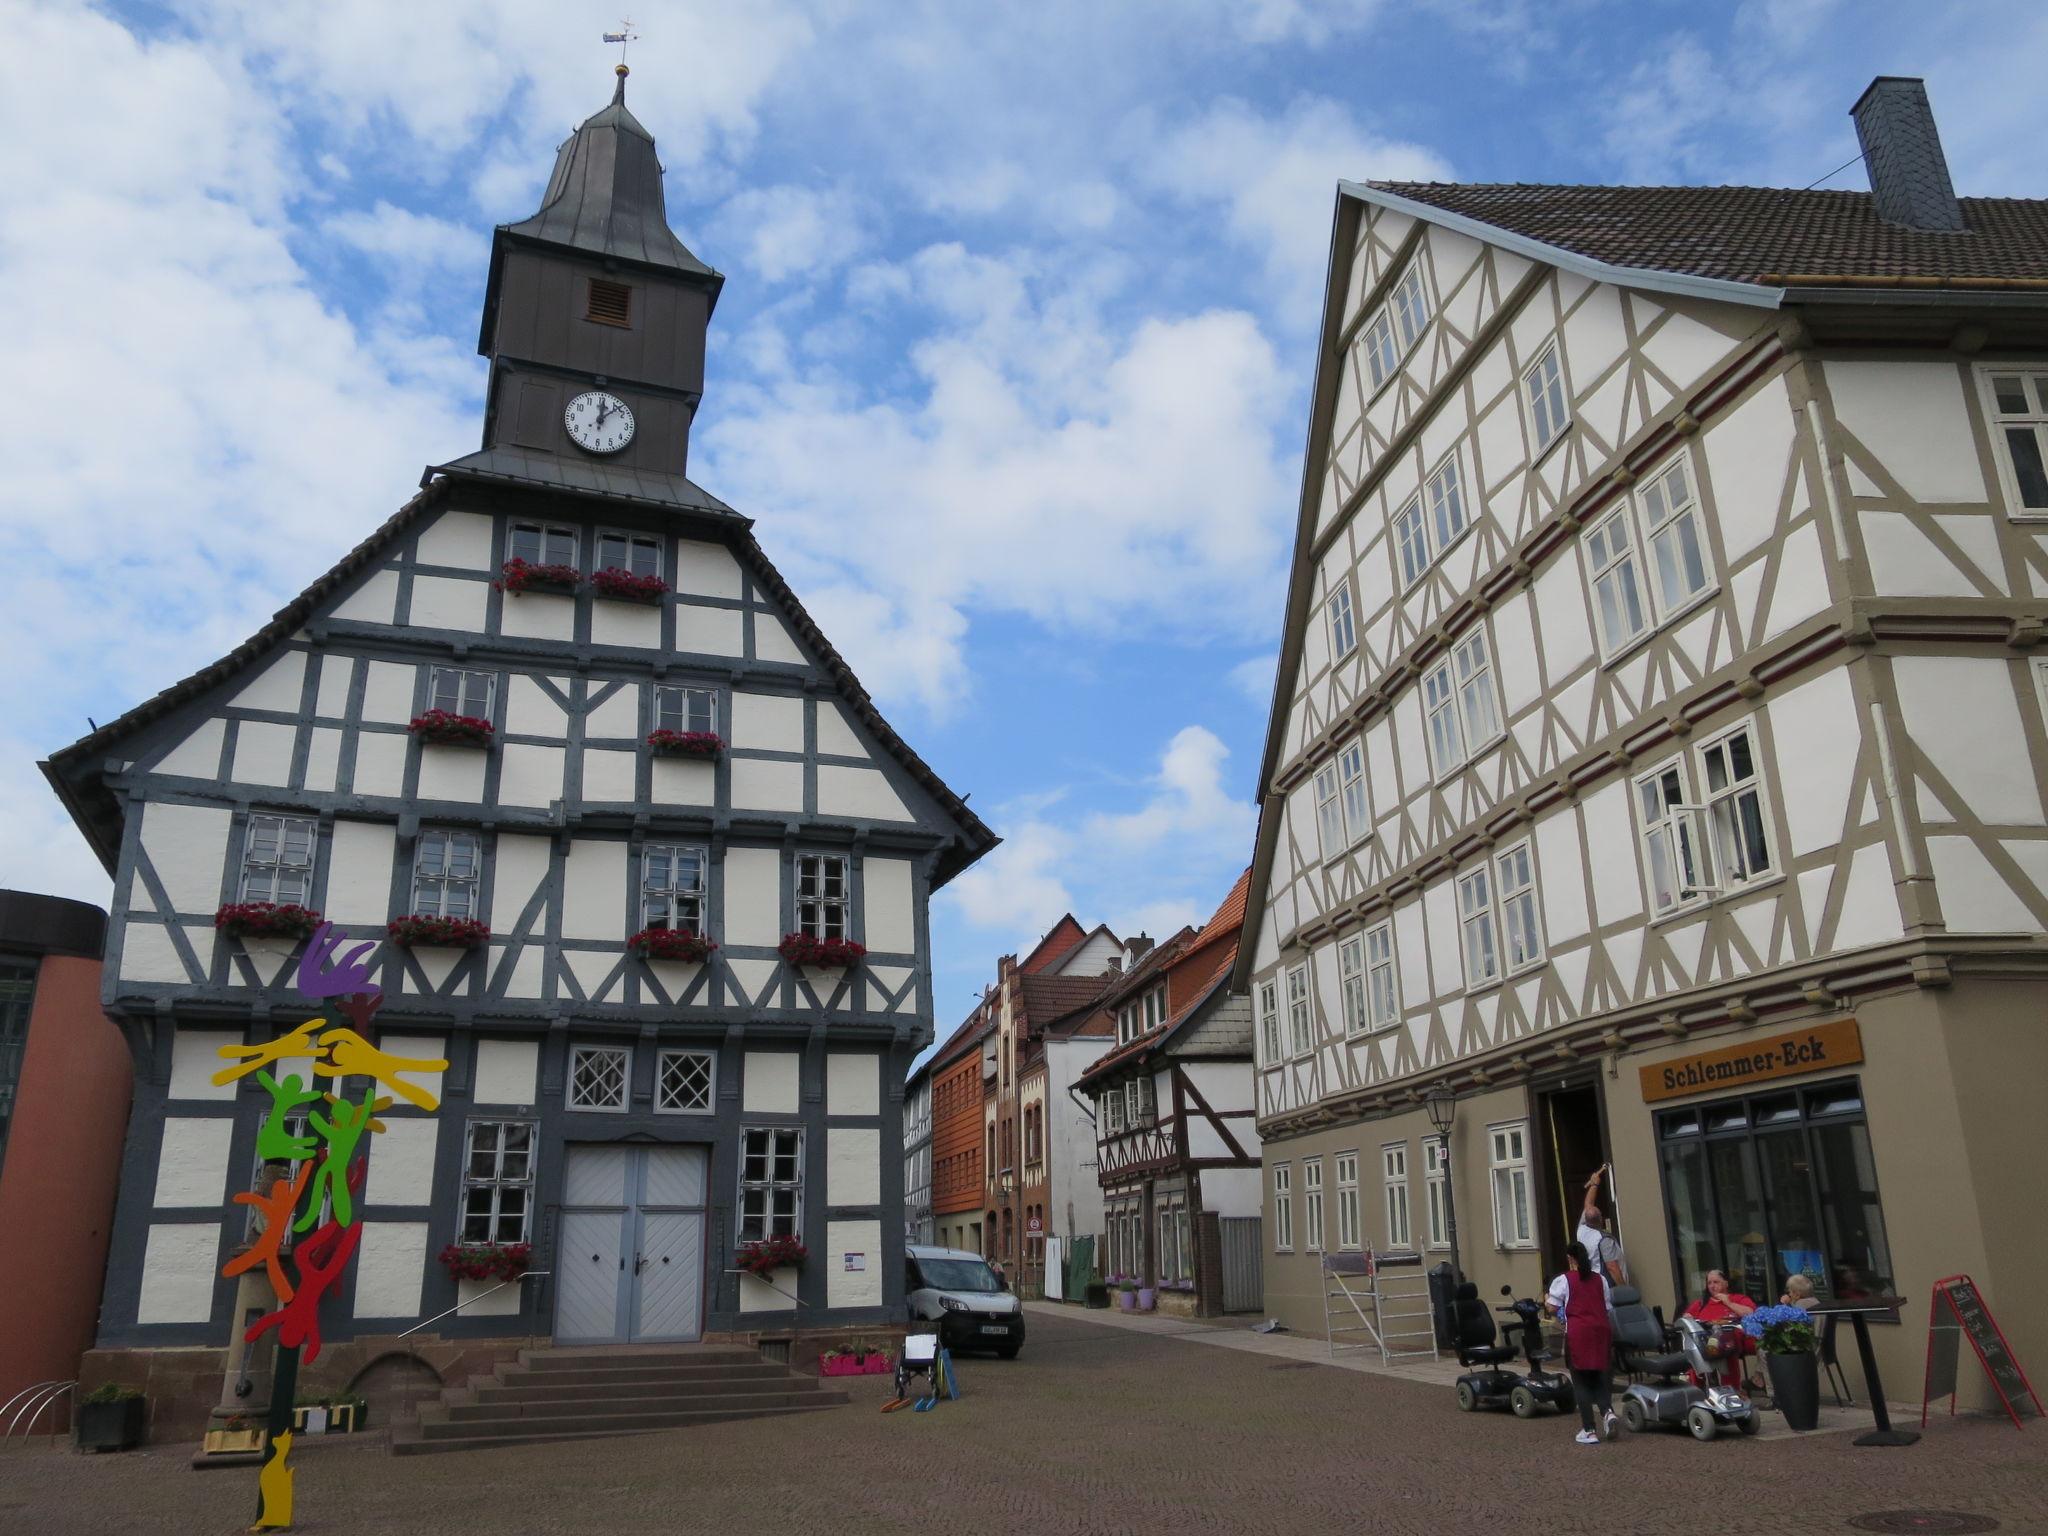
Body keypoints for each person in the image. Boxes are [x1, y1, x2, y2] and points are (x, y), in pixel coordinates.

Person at [1544, 1240, 1618, 1444]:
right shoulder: (1600, 1279)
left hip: (1579, 1333)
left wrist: (1546, 1298)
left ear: (1570, 1259)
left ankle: (1589, 1429)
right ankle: (1608, 1412)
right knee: (1599, 1376)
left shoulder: (1565, 1279)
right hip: (1601, 1331)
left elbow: (1551, 1308)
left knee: (1581, 1380)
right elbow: (1608, 1307)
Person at [1683, 1269, 1759, 1389]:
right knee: (1695, 1352)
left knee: (1726, 1348)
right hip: (1705, 1342)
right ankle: (1698, 1391)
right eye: (1709, 1283)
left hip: (1731, 1342)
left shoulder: (1738, 1298)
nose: (1712, 1286)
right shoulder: (1701, 1303)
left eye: (1716, 1282)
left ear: (1726, 1284)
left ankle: (1731, 1390)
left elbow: (1750, 1313)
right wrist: (1688, 1318)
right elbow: (1685, 1321)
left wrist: (1728, 1302)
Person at [1575, 1167, 1626, 1285]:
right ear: (1601, 1219)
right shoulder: (1603, 1240)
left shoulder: (1581, 1230)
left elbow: (1588, 1204)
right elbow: (1612, 1267)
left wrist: (1594, 1184)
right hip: (1607, 1284)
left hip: (1593, 1281)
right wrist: (1625, 1290)